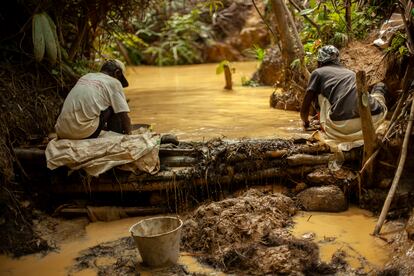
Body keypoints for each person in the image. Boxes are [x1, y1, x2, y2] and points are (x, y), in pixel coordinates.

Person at [300, 45, 388, 141]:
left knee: (319, 95)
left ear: (320, 61)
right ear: (337, 60)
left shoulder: (317, 73)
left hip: (342, 126)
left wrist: (306, 122)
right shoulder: (351, 72)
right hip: (372, 119)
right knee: (377, 93)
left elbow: (306, 104)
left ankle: (324, 123)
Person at [55, 59, 132, 139]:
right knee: (115, 107)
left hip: (62, 131)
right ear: (117, 73)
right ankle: (115, 137)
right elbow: (123, 115)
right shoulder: (114, 83)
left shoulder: (86, 76)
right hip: (82, 133)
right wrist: (129, 134)